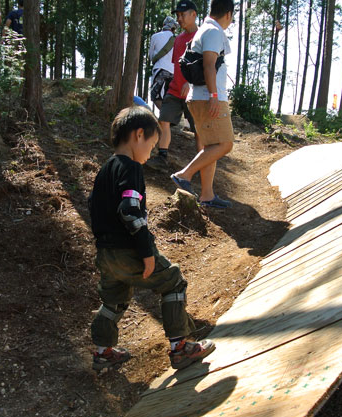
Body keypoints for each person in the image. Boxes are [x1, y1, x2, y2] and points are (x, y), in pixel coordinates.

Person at [88, 106, 216, 371]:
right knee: (173, 281)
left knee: (114, 299)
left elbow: (96, 208)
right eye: (152, 144)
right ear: (138, 135)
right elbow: (130, 210)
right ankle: (180, 348)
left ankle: (103, 351)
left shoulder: (105, 171)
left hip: (106, 254)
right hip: (129, 250)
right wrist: (146, 251)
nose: (151, 153)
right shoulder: (131, 168)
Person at [170, 0, 235, 209]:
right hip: (208, 97)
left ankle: (207, 195)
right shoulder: (214, 32)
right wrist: (214, 95)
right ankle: (184, 174)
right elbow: (208, 65)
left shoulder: (204, 30)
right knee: (225, 144)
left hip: (200, 96)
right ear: (228, 14)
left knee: (211, 146)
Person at [146, 0, 201, 171]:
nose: (179, 19)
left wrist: (191, 84)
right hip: (175, 90)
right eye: (177, 16)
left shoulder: (203, 37)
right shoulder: (177, 40)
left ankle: (202, 164)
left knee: (198, 130)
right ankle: (162, 158)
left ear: (194, 15)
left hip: (195, 93)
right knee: (164, 120)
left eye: (182, 15)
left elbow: (208, 66)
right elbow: (177, 66)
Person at [148, 16, 179, 110]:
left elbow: (151, 56)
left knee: (156, 96)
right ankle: (168, 120)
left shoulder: (155, 36)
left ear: (163, 25)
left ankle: (166, 119)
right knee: (168, 97)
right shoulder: (177, 39)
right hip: (173, 72)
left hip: (160, 69)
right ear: (173, 28)